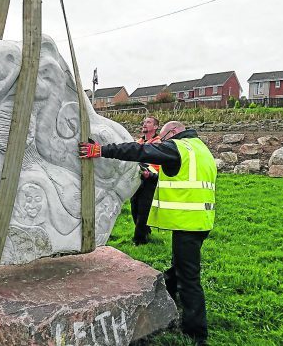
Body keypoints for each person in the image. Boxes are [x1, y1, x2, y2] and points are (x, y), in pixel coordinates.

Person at [79, 121, 216, 345]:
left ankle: (196, 332)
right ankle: (166, 300)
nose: (162, 143)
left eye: (164, 138)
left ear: (173, 133)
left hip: (188, 222)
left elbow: (138, 150)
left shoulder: (177, 147)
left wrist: (101, 150)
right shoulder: (200, 148)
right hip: (201, 220)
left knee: (189, 278)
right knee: (179, 266)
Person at [130, 116, 161, 245]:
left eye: (148, 122)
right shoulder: (139, 142)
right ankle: (145, 232)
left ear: (155, 127)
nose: (144, 124)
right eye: (143, 122)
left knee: (143, 211)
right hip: (137, 179)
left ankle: (139, 240)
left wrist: (151, 175)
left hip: (150, 180)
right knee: (134, 208)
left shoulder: (159, 143)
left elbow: (159, 166)